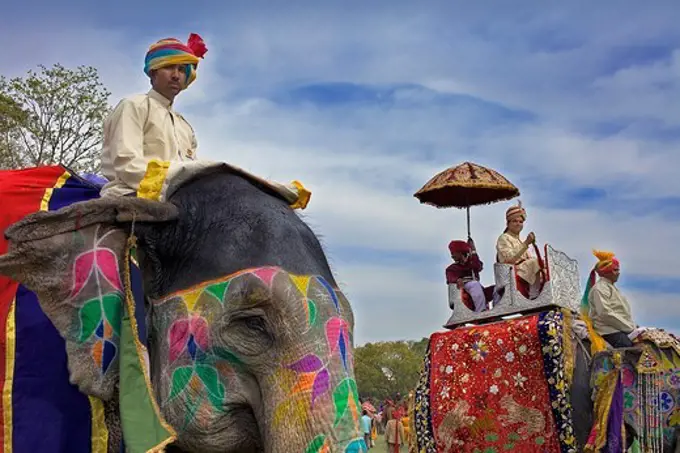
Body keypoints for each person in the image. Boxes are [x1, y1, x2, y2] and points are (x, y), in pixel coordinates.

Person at [100, 33, 208, 197]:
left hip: (178, 200)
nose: (176, 75)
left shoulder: (185, 127)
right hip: (130, 194)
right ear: (153, 72)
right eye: (168, 67)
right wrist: (170, 190)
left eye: (181, 69)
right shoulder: (134, 106)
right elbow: (128, 165)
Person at [585, 250, 635, 348]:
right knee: (631, 350)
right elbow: (605, 313)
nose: (618, 273)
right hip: (608, 331)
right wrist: (629, 327)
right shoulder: (599, 289)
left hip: (619, 329)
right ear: (606, 272)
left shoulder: (610, 288)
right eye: (615, 270)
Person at [495, 201, 542, 298]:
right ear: (508, 223)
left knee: (543, 265)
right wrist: (526, 243)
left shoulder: (519, 240)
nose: (518, 224)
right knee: (535, 262)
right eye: (515, 221)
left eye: (521, 222)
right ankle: (534, 295)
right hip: (512, 271)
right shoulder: (504, 238)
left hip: (524, 269)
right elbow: (509, 258)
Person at [446, 238, 486, 312]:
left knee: (496, 289)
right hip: (464, 287)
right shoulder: (451, 268)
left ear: (460, 252)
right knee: (474, 284)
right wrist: (457, 280)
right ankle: (481, 311)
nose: (452, 256)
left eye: (453, 253)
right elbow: (450, 278)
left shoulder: (472, 262)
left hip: (477, 288)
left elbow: (478, 267)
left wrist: (473, 251)